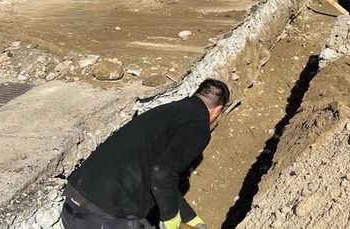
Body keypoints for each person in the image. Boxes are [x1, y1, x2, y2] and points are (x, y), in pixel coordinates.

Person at [61, 78, 230, 229]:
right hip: (107, 218)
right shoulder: (199, 126)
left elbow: (162, 180)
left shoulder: (167, 112)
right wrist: (171, 220)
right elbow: (162, 173)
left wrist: (190, 218)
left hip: (74, 205)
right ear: (217, 110)